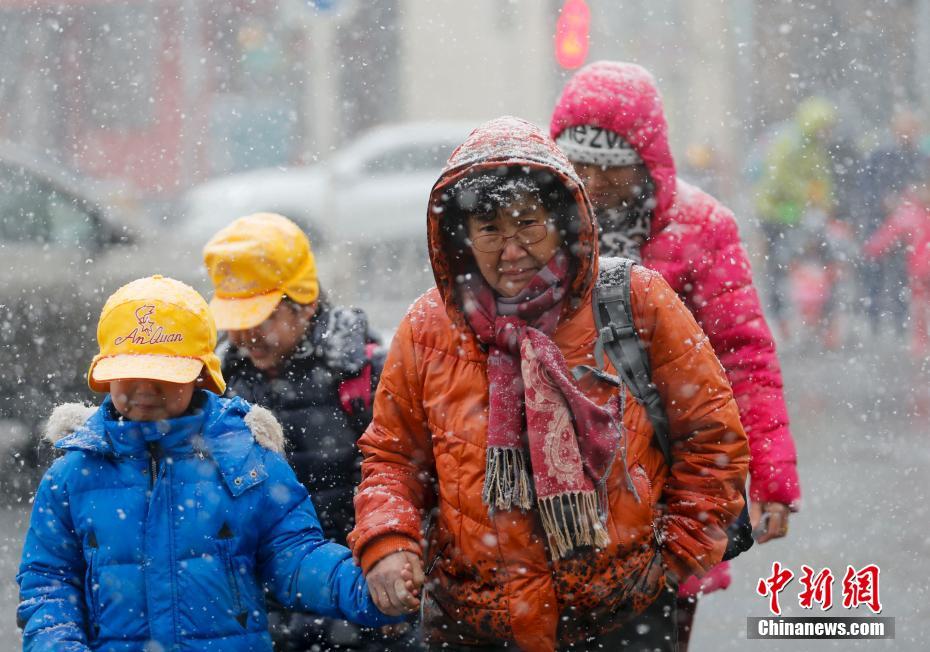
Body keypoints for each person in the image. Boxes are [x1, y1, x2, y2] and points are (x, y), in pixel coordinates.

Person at [347, 116, 750, 651]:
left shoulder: (636, 301)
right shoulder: (428, 328)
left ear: (564, 223)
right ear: (462, 238)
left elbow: (711, 434)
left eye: (528, 225)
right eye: (489, 230)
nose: (511, 251)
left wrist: (674, 557)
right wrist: (388, 541)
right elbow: (392, 460)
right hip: (475, 626)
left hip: (621, 617)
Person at [550, 61, 802, 649]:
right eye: (577, 164)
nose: (589, 180)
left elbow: (744, 357)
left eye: (607, 168)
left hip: (667, 481)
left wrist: (771, 479)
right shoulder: (541, 225)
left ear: (645, 166)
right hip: (564, 484)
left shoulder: (701, 228)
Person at [16, 275, 399, 651]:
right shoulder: (71, 476)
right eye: (127, 374)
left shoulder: (248, 461)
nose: (144, 388)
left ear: (201, 376)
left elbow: (294, 559)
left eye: (163, 376)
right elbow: (49, 582)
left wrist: (369, 590)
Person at [202, 212, 400, 651]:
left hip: (359, 603)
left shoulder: (365, 377)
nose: (244, 336)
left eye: (260, 318)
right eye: (235, 319)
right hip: (259, 618)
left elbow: (407, 486)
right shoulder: (216, 385)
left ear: (306, 303)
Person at [754, 95, 838, 338]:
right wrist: (806, 195)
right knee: (777, 269)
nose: (826, 133)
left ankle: (816, 317)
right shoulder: (788, 144)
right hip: (776, 215)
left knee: (821, 261)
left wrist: (824, 202)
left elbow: (822, 179)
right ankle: (782, 320)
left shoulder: (815, 147)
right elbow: (778, 180)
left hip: (801, 216)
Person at [859, 109, 924, 334]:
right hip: (880, 222)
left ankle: (900, 320)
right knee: (875, 270)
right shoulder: (880, 156)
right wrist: (882, 202)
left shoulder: (920, 158)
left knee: (903, 273)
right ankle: (874, 318)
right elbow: (866, 187)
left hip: (908, 227)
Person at [865, 162, 930, 356]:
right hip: (919, 269)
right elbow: (889, 233)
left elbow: (888, 233)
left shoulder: (910, 212)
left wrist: (873, 249)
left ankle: (920, 342)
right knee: (919, 307)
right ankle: (920, 341)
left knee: (919, 306)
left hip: (919, 267)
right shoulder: (911, 212)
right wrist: (873, 249)